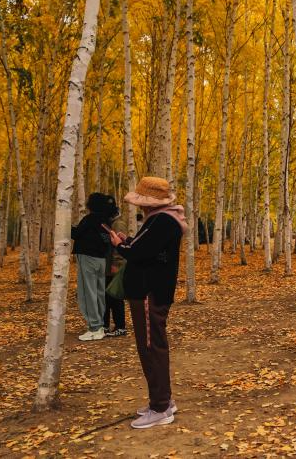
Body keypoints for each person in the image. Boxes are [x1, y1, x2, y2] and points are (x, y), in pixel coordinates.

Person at [106, 176, 186, 430]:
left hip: (149, 292)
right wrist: (129, 240)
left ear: (150, 202)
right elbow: (148, 248)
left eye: (141, 201)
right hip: (152, 290)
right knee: (154, 346)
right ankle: (163, 401)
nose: (139, 205)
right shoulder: (164, 219)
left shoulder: (162, 221)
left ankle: (160, 408)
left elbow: (139, 253)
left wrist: (120, 245)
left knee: (151, 348)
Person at [71, 193, 118, 341]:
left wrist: (64, 225)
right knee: (98, 292)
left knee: (87, 292)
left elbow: (76, 234)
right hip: (101, 259)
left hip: (88, 257)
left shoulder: (90, 219)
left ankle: (94, 327)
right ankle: (100, 325)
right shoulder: (106, 220)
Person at [103, 235, 127, 337]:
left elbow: (119, 243)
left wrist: (116, 263)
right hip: (106, 268)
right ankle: (105, 325)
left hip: (112, 269)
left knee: (115, 297)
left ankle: (120, 327)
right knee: (105, 298)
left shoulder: (116, 226)